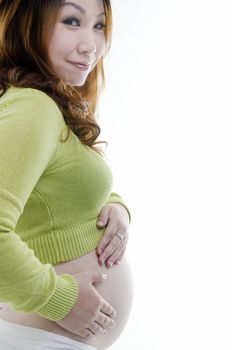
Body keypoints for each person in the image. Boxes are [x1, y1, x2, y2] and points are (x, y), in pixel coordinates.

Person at [0, 1, 133, 349]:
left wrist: (114, 206)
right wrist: (59, 300)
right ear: (28, 25)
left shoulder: (49, 102)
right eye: (72, 21)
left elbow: (54, 187)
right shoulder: (33, 107)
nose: (92, 45)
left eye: (99, 25)